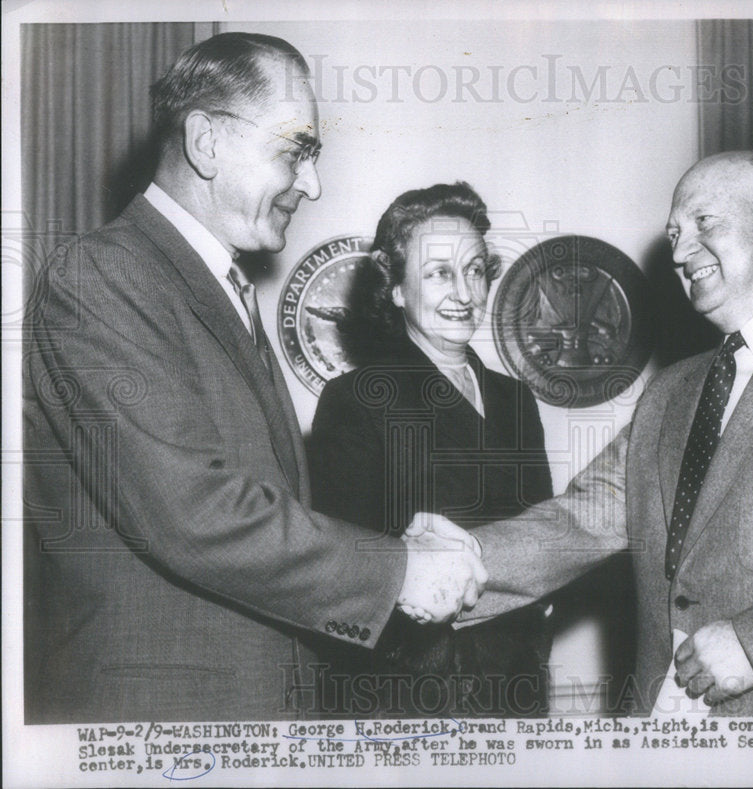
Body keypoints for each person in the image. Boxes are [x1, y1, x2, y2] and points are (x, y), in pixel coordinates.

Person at [22, 32, 485, 724]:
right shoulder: (102, 276)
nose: (313, 184)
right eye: (295, 151)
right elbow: (194, 512)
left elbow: (259, 498)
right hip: (157, 716)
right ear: (205, 142)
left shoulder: (214, 284)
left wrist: (397, 538)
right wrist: (398, 568)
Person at [433, 150, 753, 716]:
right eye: (674, 235)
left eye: (704, 224)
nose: (682, 254)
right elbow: (580, 521)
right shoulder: (671, 390)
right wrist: (421, 571)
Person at [307, 182, 554, 717]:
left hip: (517, 689)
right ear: (396, 289)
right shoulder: (357, 400)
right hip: (411, 696)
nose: (465, 293)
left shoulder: (516, 400)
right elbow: (343, 568)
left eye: (474, 270)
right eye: (439, 273)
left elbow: (542, 543)